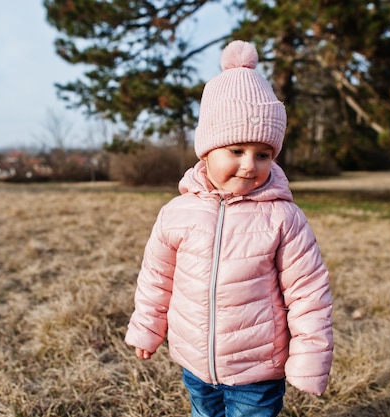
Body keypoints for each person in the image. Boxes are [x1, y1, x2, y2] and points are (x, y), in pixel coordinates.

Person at [124, 40, 333, 417]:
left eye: (263, 154)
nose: (250, 165)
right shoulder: (177, 213)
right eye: (236, 150)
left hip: (258, 369)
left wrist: (310, 358)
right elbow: (156, 278)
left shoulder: (283, 218)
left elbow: (309, 294)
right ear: (207, 151)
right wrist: (147, 328)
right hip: (194, 360)